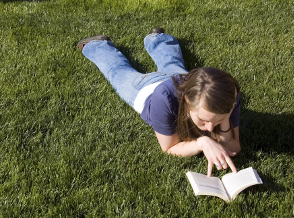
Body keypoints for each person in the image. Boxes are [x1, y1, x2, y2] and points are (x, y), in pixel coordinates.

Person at [77, 28, 241, 177]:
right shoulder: (164, 100)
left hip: (182, 79)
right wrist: (202, 142)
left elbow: (234, 148)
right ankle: (96, 45)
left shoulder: (227, 95)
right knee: (119, 71)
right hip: (146, 88)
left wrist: (226, 117)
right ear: (187, 101)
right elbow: (169, 147)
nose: (210, 128)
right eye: (203, 120)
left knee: (172, 64)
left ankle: (158, 37)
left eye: (217, 120)